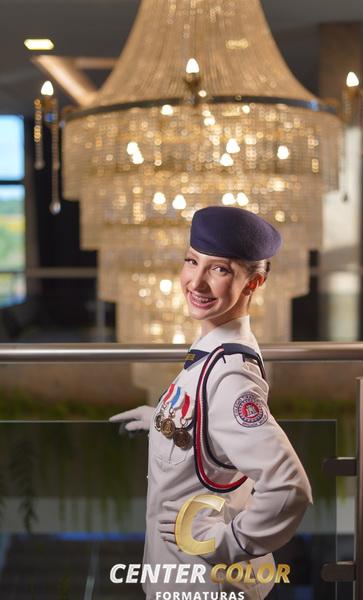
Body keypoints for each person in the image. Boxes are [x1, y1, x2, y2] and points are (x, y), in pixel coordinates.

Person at [110, 206, 313, 599]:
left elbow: (290, 488)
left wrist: (226, 542)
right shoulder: (213, 350)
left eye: (219, 269)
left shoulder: (231, 376)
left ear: (254, 282)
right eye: (192, 261)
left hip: (204, 584)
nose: (196, 282)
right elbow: (213, 430)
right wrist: (162, 418)